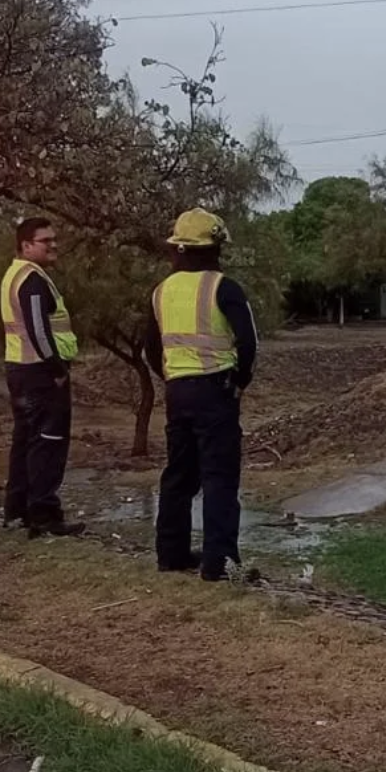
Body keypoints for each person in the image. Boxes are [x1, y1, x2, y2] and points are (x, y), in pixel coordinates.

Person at [142, 208, 259, 581]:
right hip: (216, 391)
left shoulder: (161, 292)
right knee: (219, 477)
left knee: (179, 474)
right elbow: (248, 342)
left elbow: (150, 347)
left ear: (178, 248)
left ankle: (171, 554)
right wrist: (239, 381)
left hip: (177, 391)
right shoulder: (224, 287)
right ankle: (218, 562)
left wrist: (172, 377)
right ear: (215, 247)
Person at [0, 217, 84, 539]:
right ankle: (44, 514)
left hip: (20, 367)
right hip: (40, 373)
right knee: (48, 442)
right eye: (45, 241)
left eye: (53, 239)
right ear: (26, 245)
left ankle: (17, 510)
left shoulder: (14, 274)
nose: (53, 245)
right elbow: (38, 328)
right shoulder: (32, 280)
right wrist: (57, 370)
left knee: (26, 440)